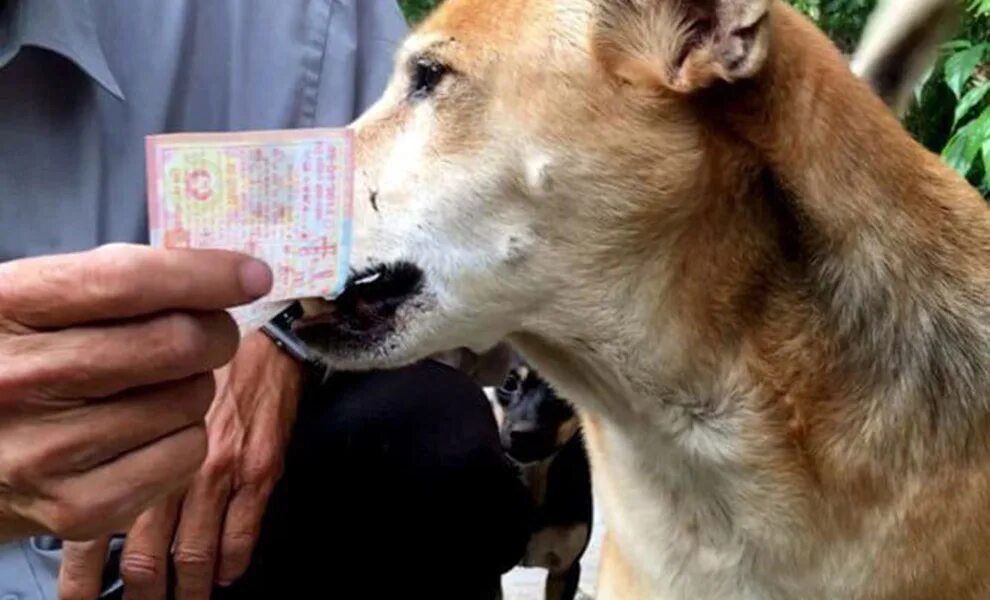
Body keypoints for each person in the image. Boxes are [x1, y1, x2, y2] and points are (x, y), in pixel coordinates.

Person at [0, 0, 534, 598]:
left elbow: (496, 282)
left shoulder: (304, 19)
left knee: (426, 429)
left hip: (244, 551)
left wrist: (285, 322)